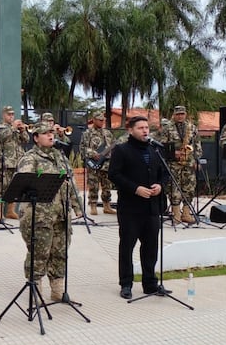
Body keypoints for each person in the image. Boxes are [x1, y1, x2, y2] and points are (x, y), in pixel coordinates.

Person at [16, 122, 83, 302]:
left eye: (52, 133)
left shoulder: (61, 156)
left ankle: (58, 289)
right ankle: (35, 286)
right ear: (36, 138)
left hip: (61, 213)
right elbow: (24, 183)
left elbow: (71, 183)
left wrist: (78, 207)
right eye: (45, 133)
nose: (51, 136)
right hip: (39, 215)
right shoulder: (30, 158)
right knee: (39, 252)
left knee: (60, 251)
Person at [108, 116, 169, 300]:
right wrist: (135, 188)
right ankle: (126, 283)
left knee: (150, 246)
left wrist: (160, 185)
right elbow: (114, 174)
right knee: (127, 246)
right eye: (141, 128)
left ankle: (150, 283)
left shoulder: (155, 150)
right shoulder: (121, 150)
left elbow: (165, 173)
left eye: (147, 128)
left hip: (152, 207)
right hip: (130, 208)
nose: (145, 131)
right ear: (131, 130)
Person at [157, 106, 203, 225]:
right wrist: (173, 153)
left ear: (185, 114)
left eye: (182, 114)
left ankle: (186, 214)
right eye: (178, 114)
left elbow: (197, 145)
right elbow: (162, 146)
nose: (180, 116)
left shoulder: (192, 128)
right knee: (173, 188)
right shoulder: (167, 128)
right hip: (173, 163)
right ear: (174, 115)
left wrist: (197, 160)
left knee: (190, 188)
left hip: (189, 162)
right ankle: (176, 214)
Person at [0, 105, 29, 220]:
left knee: (15, 187)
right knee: (2, 187)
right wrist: (12, 128)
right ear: (4, 115)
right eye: (9, 114)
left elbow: (26, 140)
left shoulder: (17, 128)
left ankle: (10, 211)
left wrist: (22, 131)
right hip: (5, 162)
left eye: (13, 114)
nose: (11, 116)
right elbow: (0, 138)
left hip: (17, 161)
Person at [79, 111, 116, 216]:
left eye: (103, 120)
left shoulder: (107, 133)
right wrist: (93, 153)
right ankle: (93, 206)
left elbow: (113, 145)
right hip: (94, 162)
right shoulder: (87, 133)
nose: (102, 122)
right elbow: (82, 148)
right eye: (99, 120)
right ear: (94, 120)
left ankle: (107, 206)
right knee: (93, 185)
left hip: (107, 163)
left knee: (107, 185)